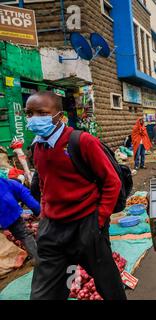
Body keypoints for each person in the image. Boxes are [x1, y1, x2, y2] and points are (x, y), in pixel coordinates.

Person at [26, 91, 126, 300]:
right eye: (29, 113)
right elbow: (44, 183)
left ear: (59, 115)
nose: (34, 119)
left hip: (87, 224)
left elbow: (112, 182)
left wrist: (99, 220)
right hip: (52, 229)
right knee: (45, 291)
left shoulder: (81, 141)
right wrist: (44, 214)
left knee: (108, 284)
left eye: (41, 113)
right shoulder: (37, 146)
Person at [0, 177, 40, 264]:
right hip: (6, 207)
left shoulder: (5, 182)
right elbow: (30, 201)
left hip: (6, 208)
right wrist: (38, 212)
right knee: (24, 234)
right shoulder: (18, 187)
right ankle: (37, 258)